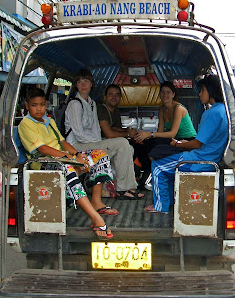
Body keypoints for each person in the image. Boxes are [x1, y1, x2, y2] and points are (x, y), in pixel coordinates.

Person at [18, 88, 115, 239]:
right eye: (34, 105)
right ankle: (95, 217)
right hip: (43, 162)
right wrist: (70, 158)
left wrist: (77, 154)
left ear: (46, 105)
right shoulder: (26, 124)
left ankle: (96, 202)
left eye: (42, 105)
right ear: (27, 105)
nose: (39, 109)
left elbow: (62, 142)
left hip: (63, 158)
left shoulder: (49, 121)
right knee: (68, 169)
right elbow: (42, 148)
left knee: (100, 155)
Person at [144, 74, 228, 213]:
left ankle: (160, 206)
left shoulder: (212, 113)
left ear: (210, 91)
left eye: (202, 91)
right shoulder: (223, 110)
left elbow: (196, 144)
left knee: (158, 166)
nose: (199, 94)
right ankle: (169, 201)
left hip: (200, 159)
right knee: (164, 161)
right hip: (210, 157)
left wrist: (178, 145)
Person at [65, 69, 144, 200]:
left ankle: (124, 186)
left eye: (86, 81)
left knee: (128, 148)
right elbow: (78, 133)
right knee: (122, 143)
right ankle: (123, 189)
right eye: (80, 82)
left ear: (91, 84)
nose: (83, 85)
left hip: (89, 142)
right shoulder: (75, 104)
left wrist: (98, 141)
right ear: (76, 85)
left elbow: (96, 128)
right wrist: (97, 144)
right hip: (76, 146)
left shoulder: (91, 103)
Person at [134, 81, 197, 190]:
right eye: (162, 92)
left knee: (155, 145)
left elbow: (172, 133)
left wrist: (150, 134)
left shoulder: (178, 108)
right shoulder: (162, 109)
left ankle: (153, 177)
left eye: (168, 92)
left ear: (173, 94)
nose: (165, 95)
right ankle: (146, 173)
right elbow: (160, 132)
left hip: (186, 141)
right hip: (172, 139)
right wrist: (146, 137)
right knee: (145, 144)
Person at [97, 83, 150, 189]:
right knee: (128, 147)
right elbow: (109, 133)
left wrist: (129, 131)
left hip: (110, 142)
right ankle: (126, 185)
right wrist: (127, 134)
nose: (114, 97)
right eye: (111, 94)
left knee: (139, 146)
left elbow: (115, 128)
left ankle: (141, 178)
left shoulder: (115, 110)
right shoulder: (101, 109)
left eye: (117, 95)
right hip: (100, 141)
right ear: (105, 97)